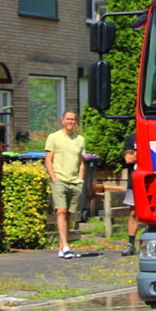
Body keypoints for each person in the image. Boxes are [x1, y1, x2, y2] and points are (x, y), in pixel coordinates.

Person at [44, 110, 86, 260]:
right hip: (59, 179)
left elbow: (81, 161)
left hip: (74, 181)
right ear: (62, 120)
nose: (70, 122)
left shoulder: (79, 139)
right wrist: (54, 177)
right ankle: (66, 246)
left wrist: (81, 179)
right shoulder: (54, 137)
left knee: (68, 213)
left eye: (73, 119)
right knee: (60, 210)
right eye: (67, 119)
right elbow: (48, 159)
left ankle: (62, 247)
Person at [121, 134, 139, 256]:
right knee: (133, 212)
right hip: (135, 180)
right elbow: (129, 159)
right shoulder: (131, 139)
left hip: (155, 179)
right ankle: (131, 243)